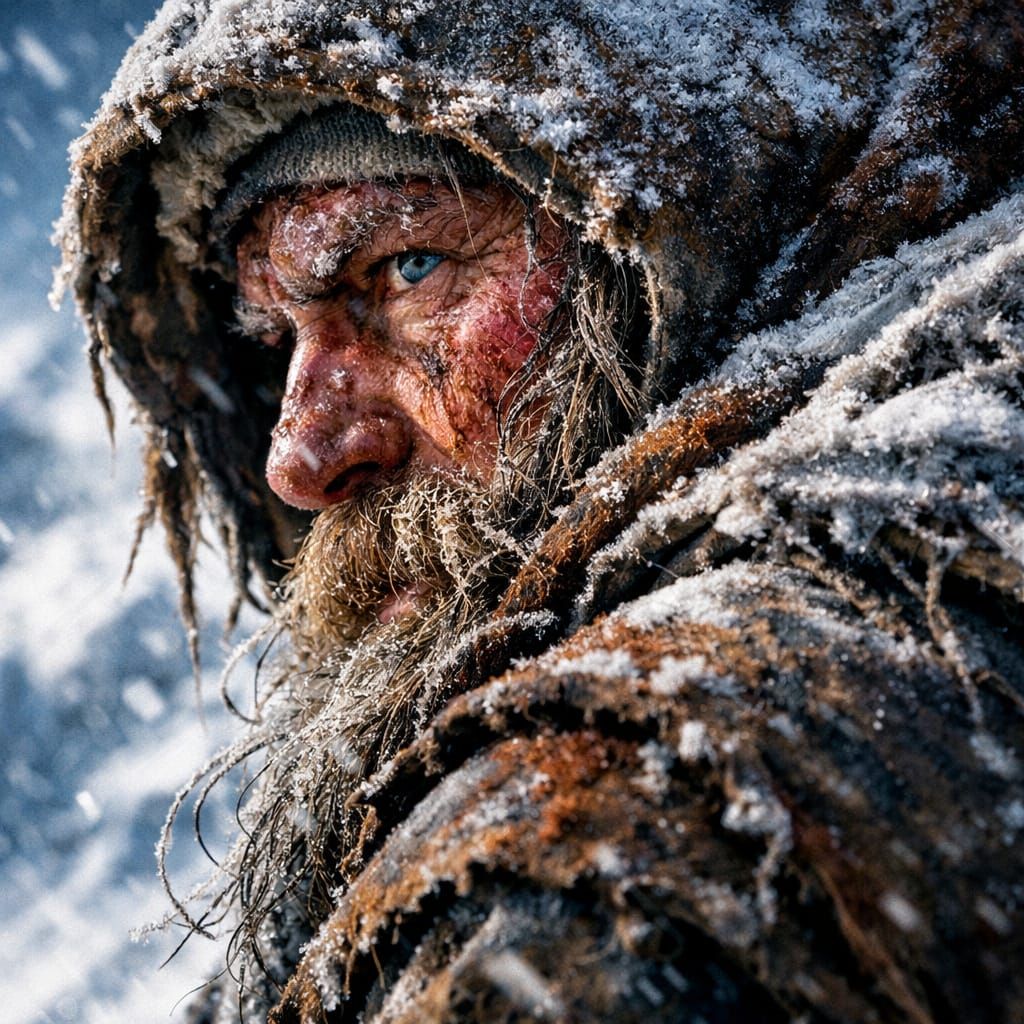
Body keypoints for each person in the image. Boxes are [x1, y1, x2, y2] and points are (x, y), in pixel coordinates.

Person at [57, 1, 1024, 1021]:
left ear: (678, 247)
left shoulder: (626, 837)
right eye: (278, 335)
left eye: (406, 267)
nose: (299, 458)